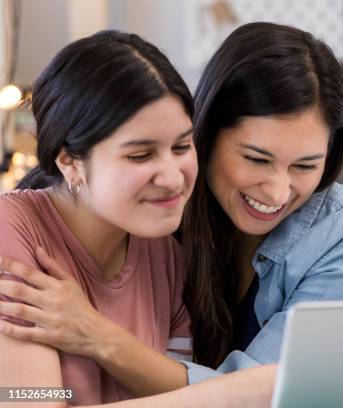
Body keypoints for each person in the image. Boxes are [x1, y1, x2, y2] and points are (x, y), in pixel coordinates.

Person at [0, 22, 343, 402]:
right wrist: (258, 391)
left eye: (305, 166)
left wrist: (96, 334)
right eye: (256, 159)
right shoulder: (21, 234)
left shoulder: (163, 254)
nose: (278, 190)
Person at [0, 30, 273, 407]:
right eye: (140, 155)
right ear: (70, 162)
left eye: (181, 146)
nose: (174, 177)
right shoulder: (11, 235)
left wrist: (95, 333)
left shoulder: (165, 256)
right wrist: (248, 392)